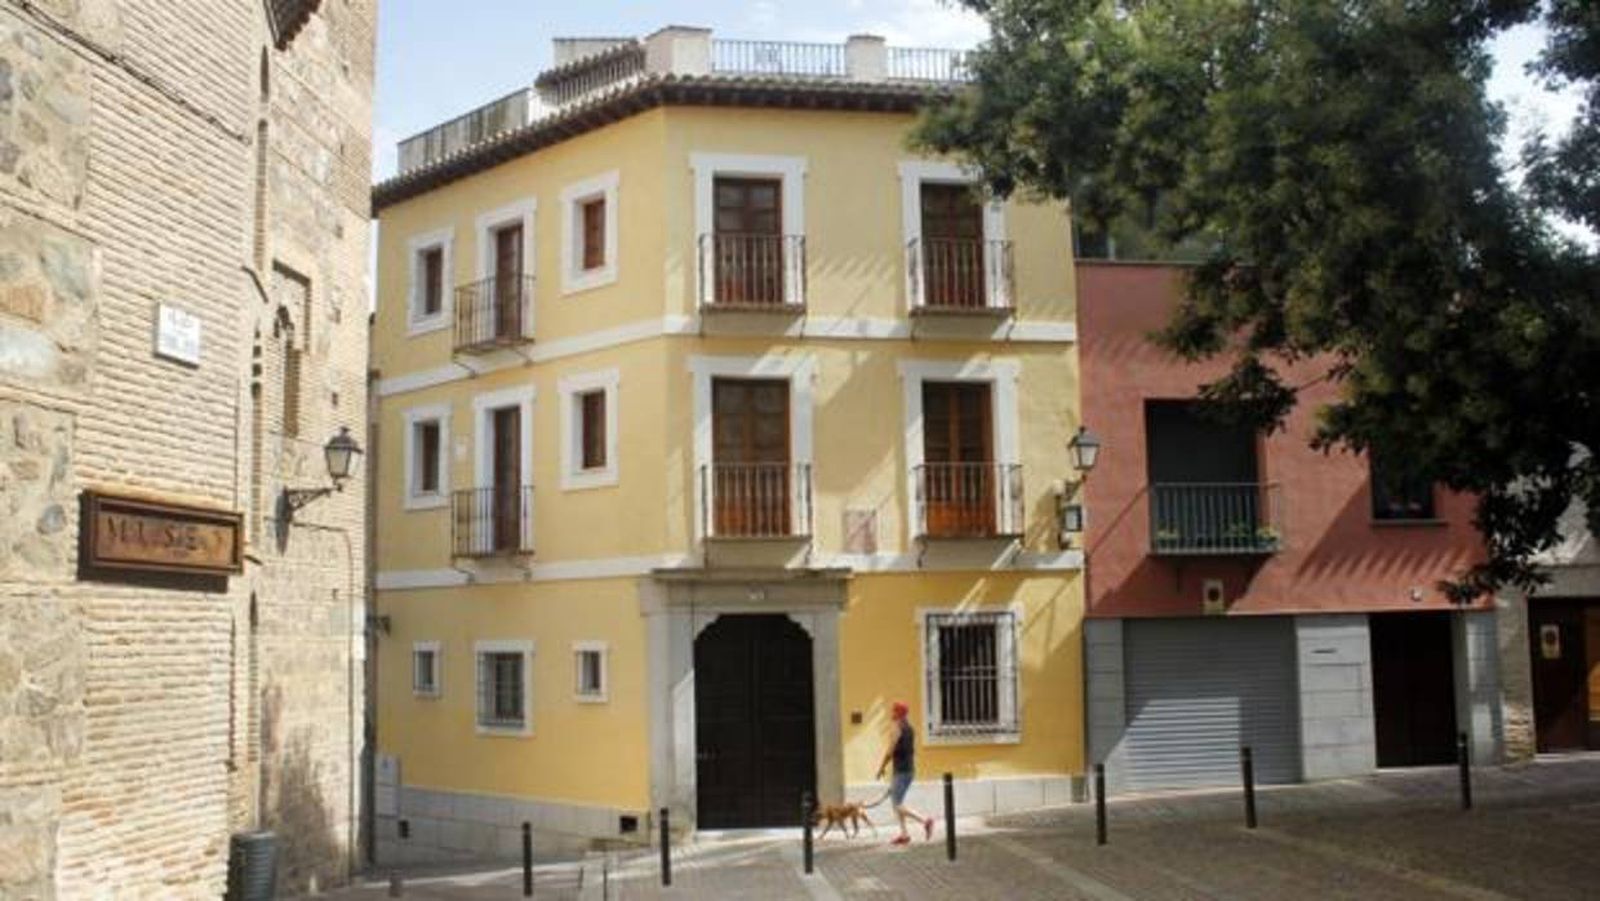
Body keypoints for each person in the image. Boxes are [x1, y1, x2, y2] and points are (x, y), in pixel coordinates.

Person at [876, 701, 934, 845]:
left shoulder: (897, 729)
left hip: (901, 771)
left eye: (894, 711)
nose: (892, 713)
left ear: (899, 713)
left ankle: (925, 821)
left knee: (897, 805)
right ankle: (904, 835)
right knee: (897, 802)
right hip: (908, 770)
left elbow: (890, 751)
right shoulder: (910, 729)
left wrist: (881, 767)